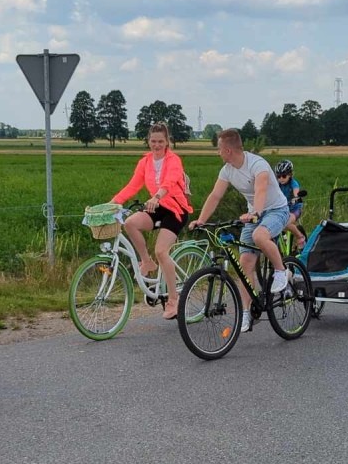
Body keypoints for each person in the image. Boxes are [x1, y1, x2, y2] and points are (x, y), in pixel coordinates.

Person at [191, 128, 290, 333]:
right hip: (253, 213)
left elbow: (261, 190)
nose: (218, 153)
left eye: (219, 149)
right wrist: (201, 220)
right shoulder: (227, 169)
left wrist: (255, 213)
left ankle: (281, 270)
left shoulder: (257, 164)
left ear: (228, 150)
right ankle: (246, 313)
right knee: (245, 264)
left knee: (259, 235)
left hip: (276, 210)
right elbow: (215, 196)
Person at [111, 122, 193, 319]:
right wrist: (112, 203)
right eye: (153, 141)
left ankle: (174, 300)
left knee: (161, 251)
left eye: (160, 141)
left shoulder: (174, 160)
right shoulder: (145, 162)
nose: (156, 145)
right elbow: (132, 186)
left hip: (175, 210)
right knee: (130, 223)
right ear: (148, 141)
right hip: (155, 207)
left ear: (167, 142)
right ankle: (147, 262)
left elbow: (169, 182)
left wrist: (156, 197)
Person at [274, 160, 307, 250]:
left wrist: (296, 198)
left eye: (284, 176)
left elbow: (296, 192)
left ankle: (300, 237)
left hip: (294, 209)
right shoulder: (277, 184)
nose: (281, 179)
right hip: (283, 209)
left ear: (290, 175)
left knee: (285, 223)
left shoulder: (293, 183)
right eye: (278, 176)